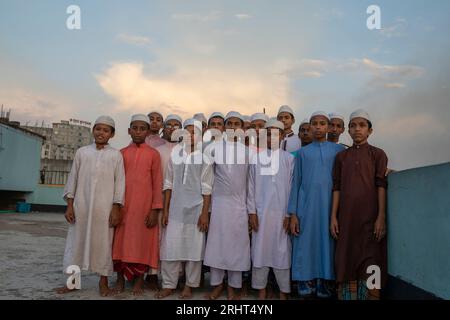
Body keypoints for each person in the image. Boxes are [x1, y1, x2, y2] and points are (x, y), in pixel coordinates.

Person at [56, 116, 125, 297]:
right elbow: (73, 180)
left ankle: (103, 283)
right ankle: (73, 282)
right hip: (82, 207)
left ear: (112, 134)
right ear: (93, 130)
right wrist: (70, 205)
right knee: (75, 243)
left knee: (104, 244)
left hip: (105, 209)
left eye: (105, 130)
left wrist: (116, 207)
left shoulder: (115, 155)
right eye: (98, 129)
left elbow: (120, 184)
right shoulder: (82, 152)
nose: (101, 133)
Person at [330, 109, 388, 300]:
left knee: (372, 258)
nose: (357, 130)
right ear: (348, 130)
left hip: (370, 218)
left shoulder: (378, 155)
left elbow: (381, 185)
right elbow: (337, 187)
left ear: (370, 131)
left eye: (362, 125)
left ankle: (371, 295)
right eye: (353, 126)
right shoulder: (341, 158)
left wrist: (381, 217)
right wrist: (333, 217)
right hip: (346, 219)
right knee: (345, 258)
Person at [287, 111, 345, 299]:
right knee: (305, 243)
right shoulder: (302, 154)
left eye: (322, 123)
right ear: (310, 127)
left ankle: (324, 281)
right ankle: (305, 280)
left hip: (330, 207)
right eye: (315, 123)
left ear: (328, 128)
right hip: (306, 207)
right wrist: (293, 213)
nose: (318, 127)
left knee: (326, 243)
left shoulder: (339, 152)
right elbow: (296, 183)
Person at [156, 118, 214, 299]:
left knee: (194, 250)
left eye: (194, 131)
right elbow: (168, 184)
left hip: (196, 209)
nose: (190, 134)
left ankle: (190, 285)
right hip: (175, 208)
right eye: (187, 130)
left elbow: (207, 187)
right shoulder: (175, 155)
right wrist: (165, 210)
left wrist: (205, 214)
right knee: (170, 248)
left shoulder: (204, 157)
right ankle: (168, 284)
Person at [111, 114, 163, 296]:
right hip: (124, 207)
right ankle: (119, 279)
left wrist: (155, 210)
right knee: (119, 243)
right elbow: (115, 182)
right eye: (135, 128)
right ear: (129, 130)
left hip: (144, 208)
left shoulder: (154, 154)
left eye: (142, 129)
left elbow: (157, 183)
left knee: (143, 244)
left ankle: (139, 281)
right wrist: (115, 207)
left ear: (148, 132)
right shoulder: (121, 154)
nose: (138, 132)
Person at [204, 111, 252, 300]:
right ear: (224, 128)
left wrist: (250, 210)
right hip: (219, 206)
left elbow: (250, 183)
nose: (233, 126)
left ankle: (234, 287)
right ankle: (217, 285)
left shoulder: (247, 151)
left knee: (237, 248)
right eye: (229, 123)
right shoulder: (214, 148)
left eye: (236, 123)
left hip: (240, 206)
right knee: (217, 246)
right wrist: (207, 210)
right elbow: (207, 181)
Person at [247, 119, 294, 300]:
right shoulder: (256, 159)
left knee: (282, 252)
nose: (271, 137)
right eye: (268, 133)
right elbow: (250, 187)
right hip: (260, 214)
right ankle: (261, 290)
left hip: (282, 214)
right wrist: (251, 212)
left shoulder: (289, 159)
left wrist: (289, 214)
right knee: (259, 250)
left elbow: (291, 187)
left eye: (276, 133)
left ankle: (283, 291)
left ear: (282, 136)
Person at [144, 114, 183, 290]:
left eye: (177, 125)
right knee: (157, 237)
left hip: (181, 201)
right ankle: (152, 274)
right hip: (159, 199)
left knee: (177, 239)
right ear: (164, 128)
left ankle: (178, 276)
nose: (172, 128)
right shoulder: (157, 151)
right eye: (169, 125)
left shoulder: (188, 150)